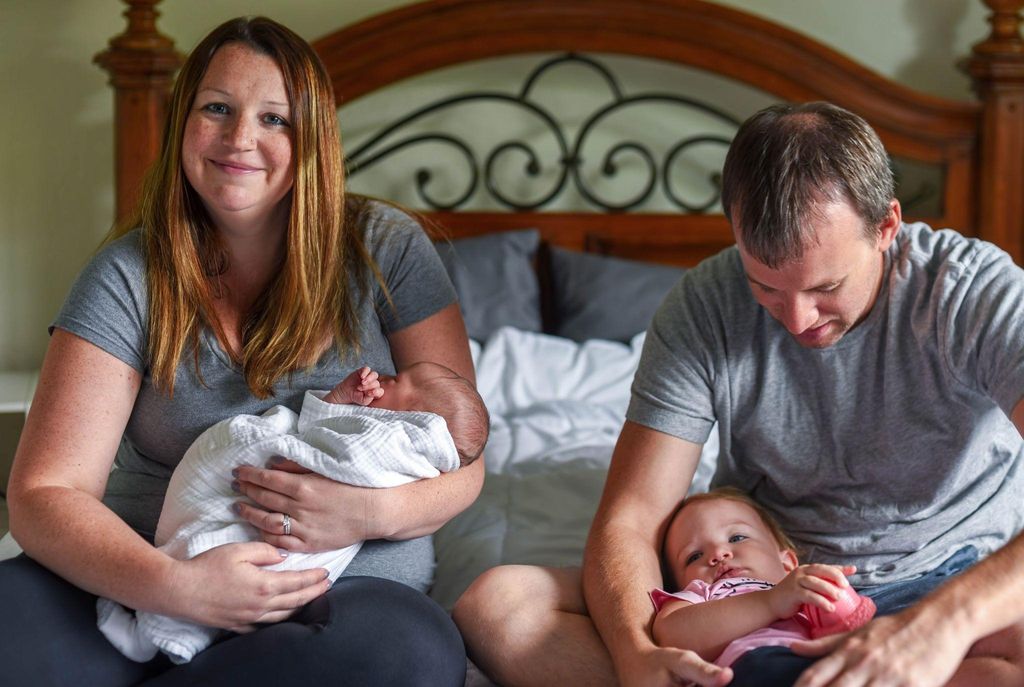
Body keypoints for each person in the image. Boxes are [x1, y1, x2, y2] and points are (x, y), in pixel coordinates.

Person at [454, 101, 1024, 687]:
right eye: (766, 287)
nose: (798, 319)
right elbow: (632, 516)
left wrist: (940, 627)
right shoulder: (703, 305)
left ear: (886, 226)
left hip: (949, 579)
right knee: (498, 607)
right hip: (751, 594)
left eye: (826, 287)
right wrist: (635, 657)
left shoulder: (970, 290)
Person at [2, 16, 480, 687]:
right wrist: (173, 585)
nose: (239, 139)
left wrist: (367, 512)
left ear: (313, 139)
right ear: (182, 125)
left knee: (413, 657)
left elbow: (466, 458)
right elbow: (43, 491)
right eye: (217, 108)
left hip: (336, 596)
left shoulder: (386, 249)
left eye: (275, 120)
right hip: (143, 571)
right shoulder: (128, 273)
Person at [98, 362, 489, 664]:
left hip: (307, 570)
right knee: (219, 557)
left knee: (419, 655)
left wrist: (371, 510)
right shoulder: (378, 425)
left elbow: (347, 458)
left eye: (397, 382)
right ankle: (171, 614)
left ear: (420, 419)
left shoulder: (403, 444)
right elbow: (319, 430)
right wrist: (339, 399)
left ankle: (157, 632)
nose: (384, 379)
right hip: (145, 551)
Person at [653, 487, 872, 672]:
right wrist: (770, 602)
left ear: (787, 563)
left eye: (737, 538)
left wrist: (838, 599)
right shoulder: (701, 594)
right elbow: (671, 636)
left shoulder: (799, 587)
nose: (718, 553)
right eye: (694, 556)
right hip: (755, 665)